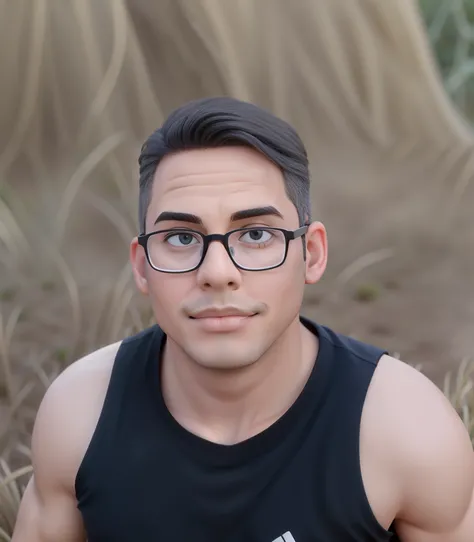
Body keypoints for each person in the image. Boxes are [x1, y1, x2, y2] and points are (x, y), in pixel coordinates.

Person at [12, 97, 474, 541]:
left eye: (256, 234)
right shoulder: (80, 414)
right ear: (141, 265)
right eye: (179, 238)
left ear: (310, 253)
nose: (217, 273)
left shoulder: (403, 430)